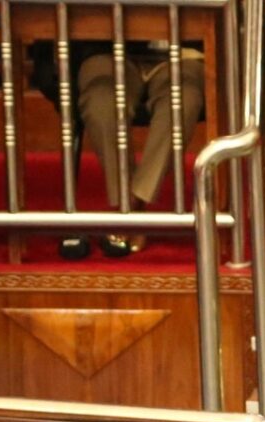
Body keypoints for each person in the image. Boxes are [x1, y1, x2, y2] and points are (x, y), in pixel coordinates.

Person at [29, 39, 206, 258]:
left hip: (184, 52)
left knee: (183, 100)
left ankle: (133, 202)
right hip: (105, 50)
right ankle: (128, 203)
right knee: (100, 100)